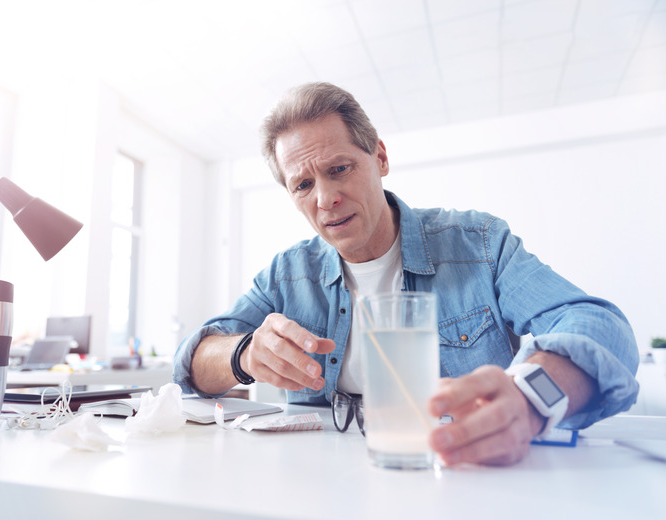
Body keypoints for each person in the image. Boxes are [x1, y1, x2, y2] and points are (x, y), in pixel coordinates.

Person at [173, 82, 639, 466]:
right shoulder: (287, 274)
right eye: (304, 184)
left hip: (463, 479)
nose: (325, 198)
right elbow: (191, 362)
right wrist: (245, 355)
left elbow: (601, 329)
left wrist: (530, 399)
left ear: (379, 159)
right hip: (322, 492)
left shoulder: (477, 244)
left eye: (340, 169)